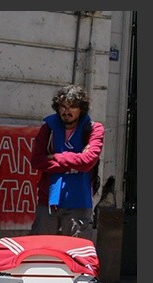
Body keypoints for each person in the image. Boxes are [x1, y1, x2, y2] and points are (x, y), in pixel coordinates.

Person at [29, 84, 104, 240]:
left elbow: (88, 162)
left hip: (78, 201)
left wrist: (56, 156)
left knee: (76, 254)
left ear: (81, 109)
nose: (66, 111)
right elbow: (37, 161)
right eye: (63, 107)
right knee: (42, 249)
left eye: (72, 107)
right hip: (48, 201)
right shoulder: (48, 128)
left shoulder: (93, 129)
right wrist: (74, 163)